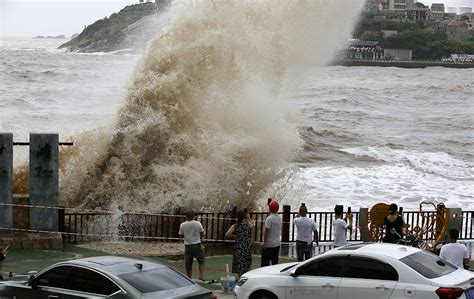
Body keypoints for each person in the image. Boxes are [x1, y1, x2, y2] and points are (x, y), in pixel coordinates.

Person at [225, 209, 255, 277]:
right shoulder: (247, 225)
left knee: (239, 262)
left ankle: (239, 276)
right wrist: (249, 218)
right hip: (246, 246)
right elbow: (253, 224)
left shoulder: (235, 225)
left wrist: (235, 236)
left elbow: (227, 234)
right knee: (246, 262)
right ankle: (245, 276)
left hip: (239, 246)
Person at [178, 210, 206, 281]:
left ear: (186, 216)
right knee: (201, 260)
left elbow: (180, 235)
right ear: (194, 216)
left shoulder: (182, 225)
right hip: (197, 244)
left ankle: (189, 277)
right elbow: (202, 233)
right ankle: (201, 276)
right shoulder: (198, 223)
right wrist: (201, 238)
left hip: (187, 246)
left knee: (188, 263)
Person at [261, 200, 282, 267]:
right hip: (277, 243)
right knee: (274, 263)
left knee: (265, 263)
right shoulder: (279, 218)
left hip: (269, 244)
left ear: (270, 208)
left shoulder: (269, 219)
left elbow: (267, 231)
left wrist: (264, 243)